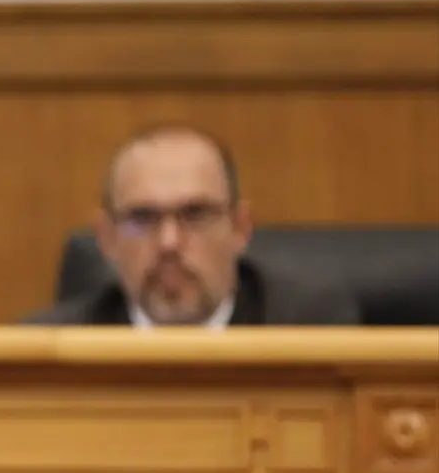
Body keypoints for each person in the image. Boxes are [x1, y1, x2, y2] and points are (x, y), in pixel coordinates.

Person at [25, 124, 359, 327]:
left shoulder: (311, 332)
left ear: (240, 228)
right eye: (142, 219)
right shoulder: (51, 350)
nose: (169, 242)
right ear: (107, 238)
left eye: (195, 215)